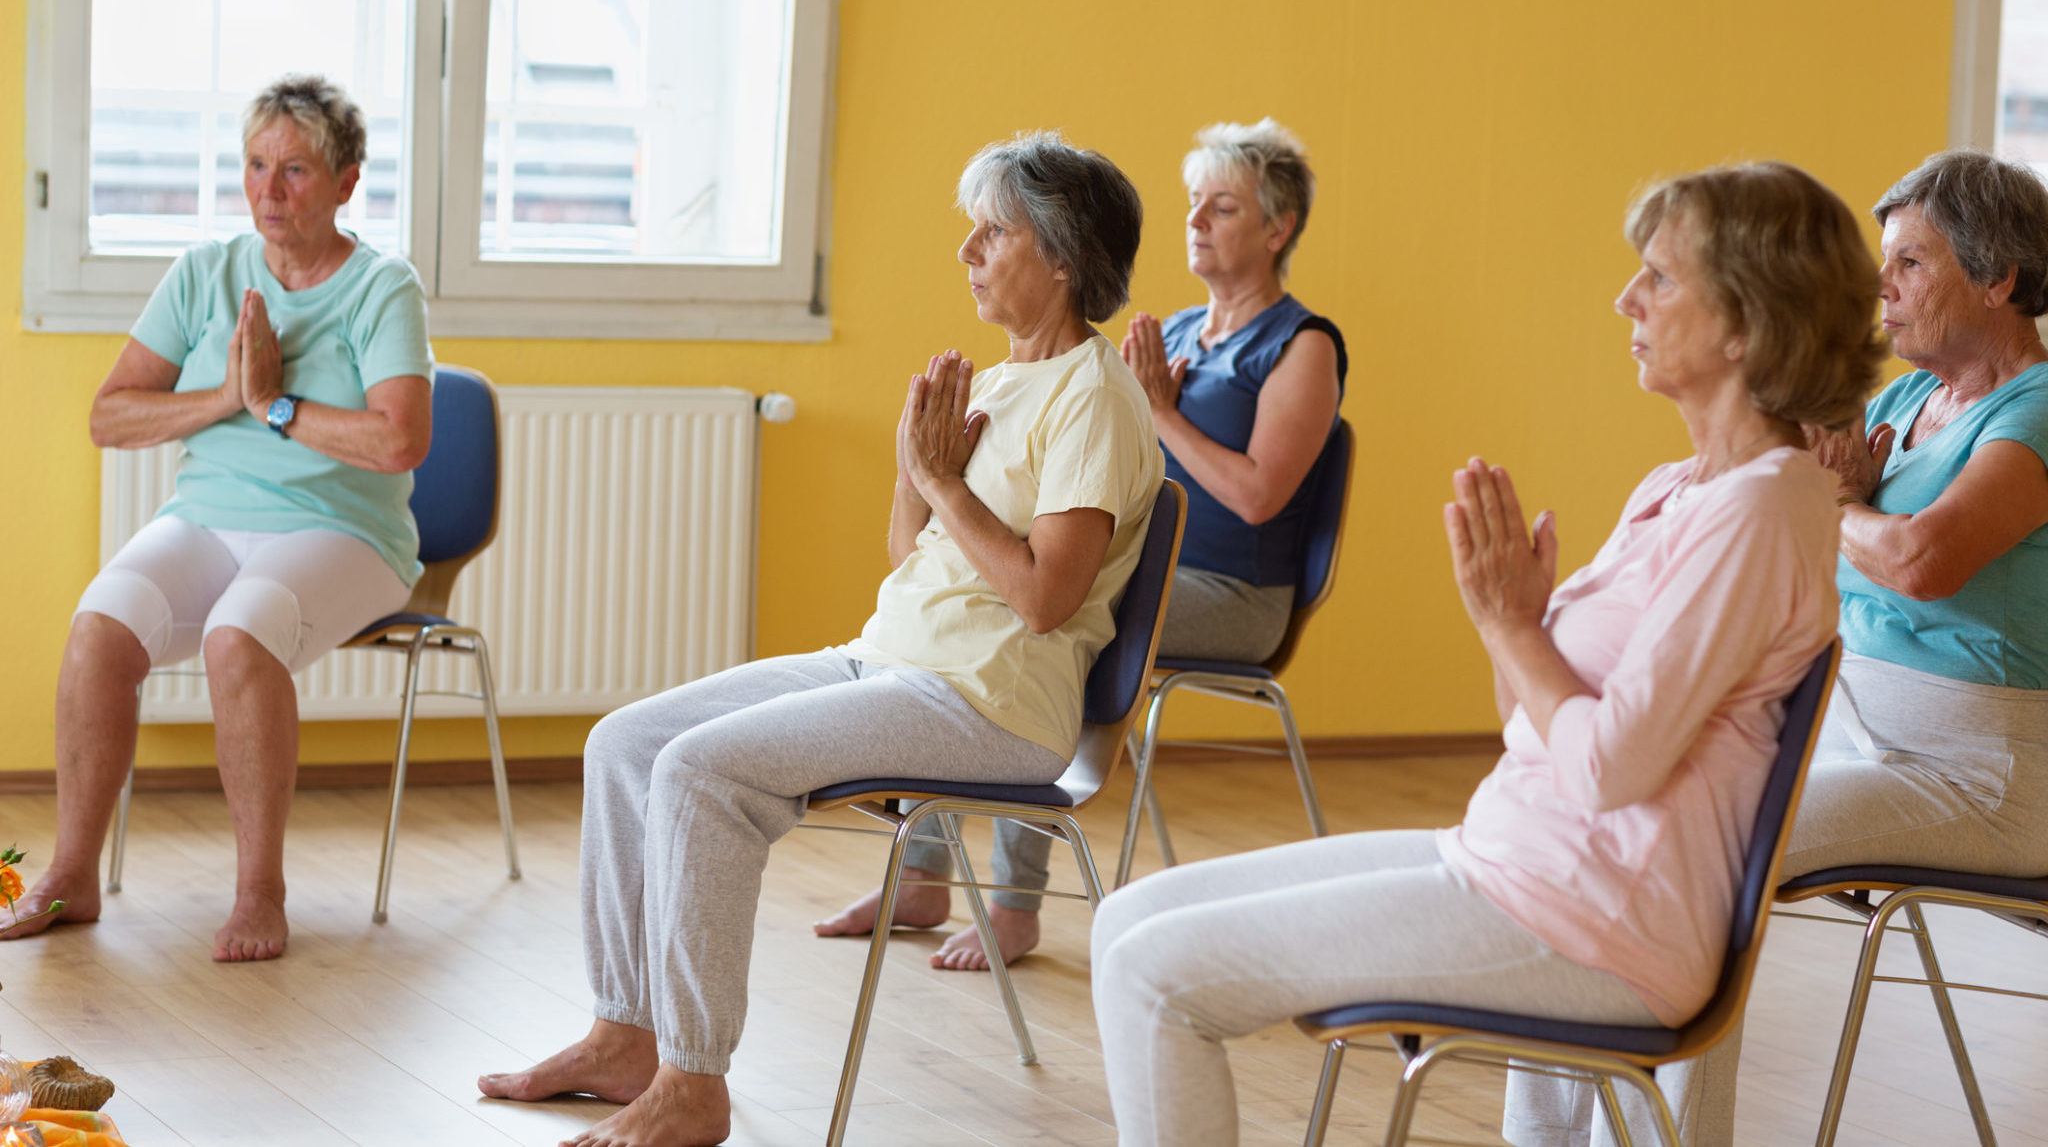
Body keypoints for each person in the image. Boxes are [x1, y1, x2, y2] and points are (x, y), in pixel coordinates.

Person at [1088, 161, 1887, 1147]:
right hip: (1517, 858)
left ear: (1746, 323)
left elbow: (1606, 767)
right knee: (1124, 922)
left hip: (1594, 917)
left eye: (1659, 278)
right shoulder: (1673, 489)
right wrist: (1505, 618)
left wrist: (1514, 627)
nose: (1623, 298)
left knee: (1150, 976)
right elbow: (1530, 727)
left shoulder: (1762, 508)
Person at [476, 132, 1159, 1147]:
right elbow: (911, 565)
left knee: (703, 774)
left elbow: (1042, 601)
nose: (967, 250)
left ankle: (692, 1081)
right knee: (622, 743)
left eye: (993, 231)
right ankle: (624, 1034)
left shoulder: (1094, 399)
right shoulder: (994, 381)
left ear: (1059, 256)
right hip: (895, 662)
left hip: (992, 705)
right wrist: (910, 474)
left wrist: (938, 482)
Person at [1538, 149, 2048, 1146]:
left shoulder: (2033, 410)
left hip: (1974, 774)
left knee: (1701, 850)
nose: (1876, 287)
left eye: (1909, 263)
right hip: (1846, 731)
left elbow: (1917, 561)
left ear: (1996, 279)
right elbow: (1776, 509)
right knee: (1600, 814)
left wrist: (1838, 499)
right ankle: (1549, 1134)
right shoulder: (1900, 405)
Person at [815, 118, 1344, 971]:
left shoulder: (1301, 346)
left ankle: (1015, 906)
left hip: (1230, 591)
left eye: (1224, 208)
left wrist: (1163, 412)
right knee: (979, 612)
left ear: (1278, 229)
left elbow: (1258, 496)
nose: (1197, 222)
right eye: (1192, 206)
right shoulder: (1165, 338)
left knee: (1035, 626)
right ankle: (924, 871)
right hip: (1127, 567)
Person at [0, 75, 433, 963]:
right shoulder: (204, 272)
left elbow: (398, 444)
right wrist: (225, 399)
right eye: (255, 165)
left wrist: (275, 406)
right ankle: (72, 875)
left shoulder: (383, 288)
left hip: (345, 532)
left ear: (349, 181)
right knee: (98, 629)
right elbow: (109, 417)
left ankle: (258, 893)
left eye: (298, 171)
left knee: (238, 637)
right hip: (208, 516)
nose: (270, 191)